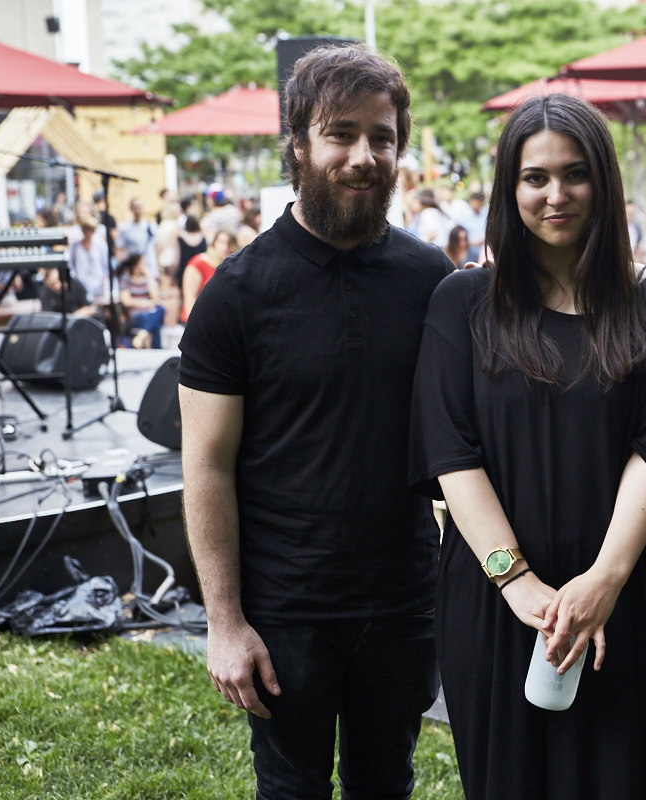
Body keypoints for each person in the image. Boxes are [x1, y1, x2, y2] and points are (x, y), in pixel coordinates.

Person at [177, 45, 451, 800]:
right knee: (291, 789)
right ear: (297, 144)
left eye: (382, 137)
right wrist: (224, 622)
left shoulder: (432, 281)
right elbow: (205, 466)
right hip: (285, 611)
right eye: (340, 134)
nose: (364, 156)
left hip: (405, 600)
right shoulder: (235, 295)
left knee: (386, 783)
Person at [409, 92, 646, 800]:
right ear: (509, 190)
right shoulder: (461, 303)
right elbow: (451, 454)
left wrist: (603, 582)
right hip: (496, 609)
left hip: (627, 601)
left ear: (604, 182)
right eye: (534, 177)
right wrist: (517, 583)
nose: (555, 195)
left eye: (575, 174)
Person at [181, 229, 237, 324]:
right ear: (214, 243)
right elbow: (189, 299)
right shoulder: (199, 263)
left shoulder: (233, 267)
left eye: (229, 243)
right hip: (198, 322)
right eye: (221, 242)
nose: (225, 247)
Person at [117, 253, 165, 349]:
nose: (146, 266)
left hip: (151, 312)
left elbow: (155, 297)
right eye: (143, 264)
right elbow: (127, 301)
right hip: (136, 315)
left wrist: (149, 275)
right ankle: (157, 348)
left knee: (161, 309)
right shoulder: (125, 281)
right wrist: (147, 303)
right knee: (153, 321)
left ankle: (141, 336)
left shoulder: (146, 280)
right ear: (135, 266)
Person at [68, 213, 110, 304]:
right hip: (81, 285)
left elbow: (106, 267)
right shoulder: (74, 246)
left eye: (91, 229)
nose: (88, 232)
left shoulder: (101, 246)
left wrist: (105, 289)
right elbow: (71, 265)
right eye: (86, 229)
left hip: (98, 285)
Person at [117, 197, 159, 278]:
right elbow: (119, 250)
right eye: (136, 208)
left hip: (151, 269)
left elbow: (157, 247)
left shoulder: (151, 226)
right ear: (131, 209)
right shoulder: (124, 228)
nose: (138, 210)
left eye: (140, 207)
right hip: (134, 271)